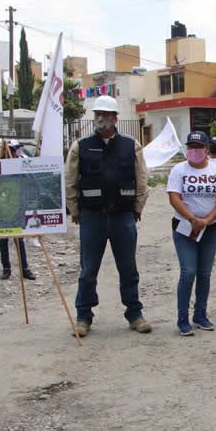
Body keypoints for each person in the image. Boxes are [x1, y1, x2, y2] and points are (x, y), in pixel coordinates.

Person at [65, 95, 151, 337]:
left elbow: (141, 178)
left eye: (105, 114)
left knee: (128, 268)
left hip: (123, 216)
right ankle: (83, 317)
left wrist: (138, 208)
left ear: (115, 118)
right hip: (92, 217)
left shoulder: (131, 145)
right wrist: (73, 208)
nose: (100, 119)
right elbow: (69, 180)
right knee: (88, 270)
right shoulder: (80, 146)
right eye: (97, 114)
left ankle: (134, 314)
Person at [167, 131, 216, 336]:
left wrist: (206, 220)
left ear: (206, 150)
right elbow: (174, 197)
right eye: (190, 147)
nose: (194, 151)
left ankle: (200, 315)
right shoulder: (178, 170)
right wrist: (193, 219)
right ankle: (182, 318)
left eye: (198, 147)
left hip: (211, 229)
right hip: (185, 229)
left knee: (204, 273)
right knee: (188, 272)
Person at [0, 140, 36, 280]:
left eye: (17, 150)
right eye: (14, 150)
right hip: (4, 205)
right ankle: (6, 268)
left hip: (18, 203)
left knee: (19, 238)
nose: (16, 152)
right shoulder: (1, 162)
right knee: (3, 238)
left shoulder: (22, 161)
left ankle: (24, 268)